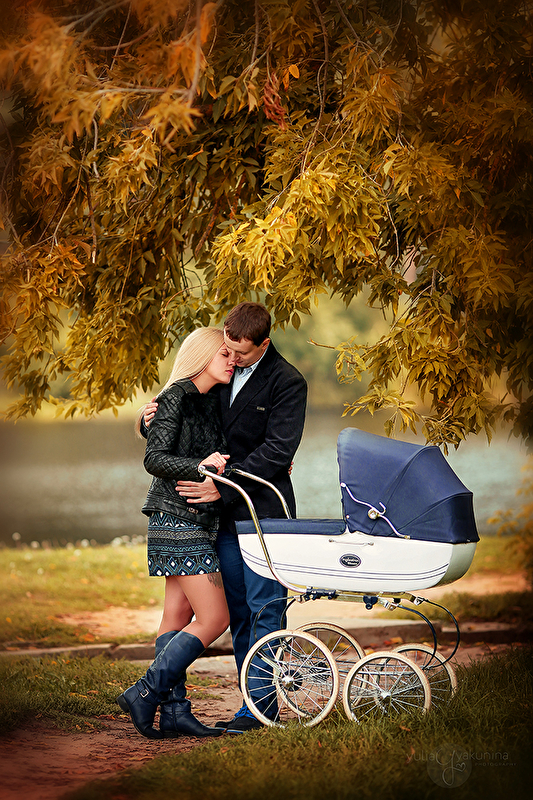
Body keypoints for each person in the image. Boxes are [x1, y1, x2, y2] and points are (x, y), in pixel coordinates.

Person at [143, 302, 307, 733]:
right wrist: (148, 420)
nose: (232, 359)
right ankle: (246, 702)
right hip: (220, 519)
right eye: (227, 350)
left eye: (241, 353)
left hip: (263, 514)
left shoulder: (288, 381)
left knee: (265, 609)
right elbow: (183, 418)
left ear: (264, 344)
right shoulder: (222, 373)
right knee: (236, 611)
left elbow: (277, 450)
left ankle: (260, 709)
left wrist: (225, 483)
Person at [117, 327, 235, 740]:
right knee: (215, 618)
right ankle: (145, 692)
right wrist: (202, 467)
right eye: (224, 354)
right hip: (175, 518)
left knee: (177, 615)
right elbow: (155, 458)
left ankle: (173, 712)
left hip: (195, 520)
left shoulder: (213, 398)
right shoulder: (176, 396)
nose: (232, 360)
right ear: (202, 356)